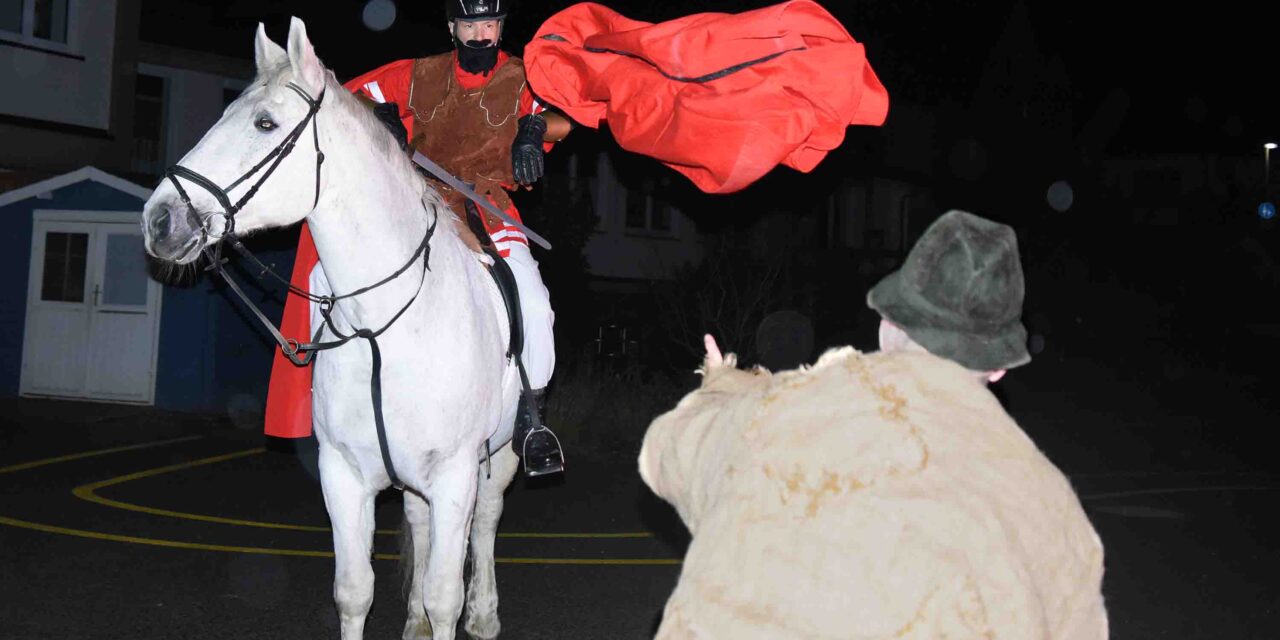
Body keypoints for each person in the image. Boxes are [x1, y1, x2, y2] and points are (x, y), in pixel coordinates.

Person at [637, 210, 1108, 638]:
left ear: (886, 325)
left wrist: (722, 387)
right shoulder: (1055, 511)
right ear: (1000, 366)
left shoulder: (782, 415)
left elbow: (664, 451)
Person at [265, 0, 574, 477]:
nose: (480, 35)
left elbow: (562, 118)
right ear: (453, 27)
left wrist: (533, 129)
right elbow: (346, 94)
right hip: (419, 207)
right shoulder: (418, 73)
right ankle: (322, 391)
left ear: (501, 27)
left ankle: (532, 420)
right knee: (327, 275)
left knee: (535, 306)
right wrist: (380, 115)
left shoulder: (521, 77)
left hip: (490, 214)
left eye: (489, 24)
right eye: (470, 25)